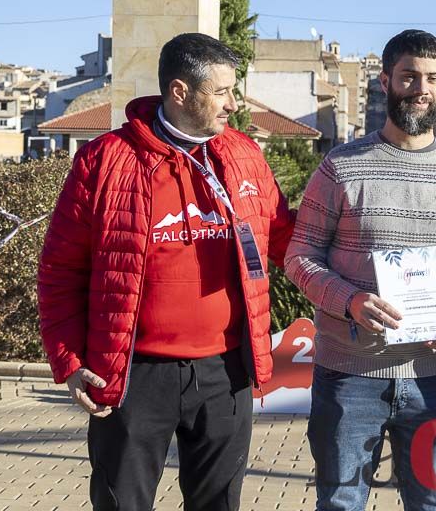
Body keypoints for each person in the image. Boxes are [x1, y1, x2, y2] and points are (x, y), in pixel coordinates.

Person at [38, 33, 296, 511]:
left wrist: (357, 253)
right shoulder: (104, 160)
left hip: (227, 371)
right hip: (133, 373)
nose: (233, 104)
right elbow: (60, 268)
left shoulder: (245, 155)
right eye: (222, 92)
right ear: (180, 92)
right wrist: (69, 361)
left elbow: (286, 239)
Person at [285, 29, 436, 511]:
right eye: (408, 76)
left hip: (433, 377)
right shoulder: (340, 168)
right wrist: (350, 301)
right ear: (385, 81)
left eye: (432, 78)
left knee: (431, 504)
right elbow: (299, 257)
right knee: (341, 503)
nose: (420, 88)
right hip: (348, 376)